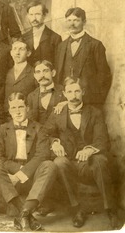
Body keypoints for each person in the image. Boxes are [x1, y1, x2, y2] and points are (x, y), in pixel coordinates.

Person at [41, 77, 120, 229]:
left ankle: (111, 209)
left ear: (83, 92)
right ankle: (77, 209)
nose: (74, 95)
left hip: (90, 161)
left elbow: (102, 138)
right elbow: (45, 133)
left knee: (100, 161)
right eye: (69, 91)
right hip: (69, 161)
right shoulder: (57, 113)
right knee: (59, 162)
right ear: (64, 94)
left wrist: (90, 149)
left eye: (77, 91)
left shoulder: (94, 113)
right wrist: (55, 143)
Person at [0, 92, 56, 231]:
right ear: (9, 110)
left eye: (20, 107)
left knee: (49, 165)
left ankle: (24, 213)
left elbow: (42, 155)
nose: (17, 111)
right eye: (13, 108)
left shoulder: (39, 128)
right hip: (10, 182)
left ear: (28, 108)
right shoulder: (2, 130)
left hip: (31, 179)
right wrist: (15, 172)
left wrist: (21, 174)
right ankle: (25, 214)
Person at [54, 7, 112, 108]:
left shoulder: (95, 45)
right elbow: (58, 75)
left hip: (90, 100)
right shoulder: (61, 46)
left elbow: (104, 75)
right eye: (69, 20)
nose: (72, 24)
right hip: (66, 100)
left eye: (76, 20)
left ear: (84, 22)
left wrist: (97, 100)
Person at [27, 60, 65, 124]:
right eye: (38, 72)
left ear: (53, 73)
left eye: (46, 71)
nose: (42, 75)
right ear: (35, 76)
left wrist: (66, 103)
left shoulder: (64, 91)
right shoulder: (31, 96)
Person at [4, 38, 37, 112]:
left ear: (28, 53)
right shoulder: (7, 73)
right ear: (11, 53)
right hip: (8, 117)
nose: (17, 53)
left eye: (21, 49)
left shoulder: (34, 72)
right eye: (14, 49)